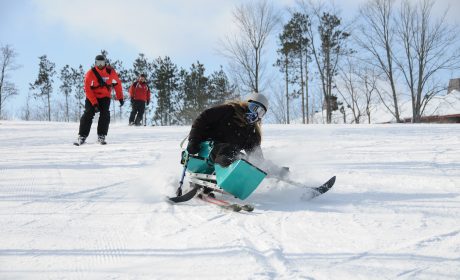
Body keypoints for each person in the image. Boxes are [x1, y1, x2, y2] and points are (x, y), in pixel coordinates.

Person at [186, 92, 269, 168]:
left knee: (243, 159)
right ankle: (228, 167)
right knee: (230, 151)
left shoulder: (251, 131)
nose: (256, 114)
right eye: (254, 108)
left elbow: (256, 156)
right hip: (206, 149)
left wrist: (267, 168)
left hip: (225, 156)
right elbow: (203, 119)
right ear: (246, 104)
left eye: (261, 113)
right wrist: (193, 140)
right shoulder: (228, 111)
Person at [75, 55, 124, 145]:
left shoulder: (111, 72)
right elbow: (87, 89)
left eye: (102, 63)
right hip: (92, 96)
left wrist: (120, 97)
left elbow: (117, 85)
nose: (100, 65)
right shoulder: (90, 73)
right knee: (88, 113)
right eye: (98, 63)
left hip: (105, 96)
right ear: (95, 63)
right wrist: (94, 103)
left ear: (105, 63)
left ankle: (101, 135)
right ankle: (82, 136)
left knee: (105, 113)